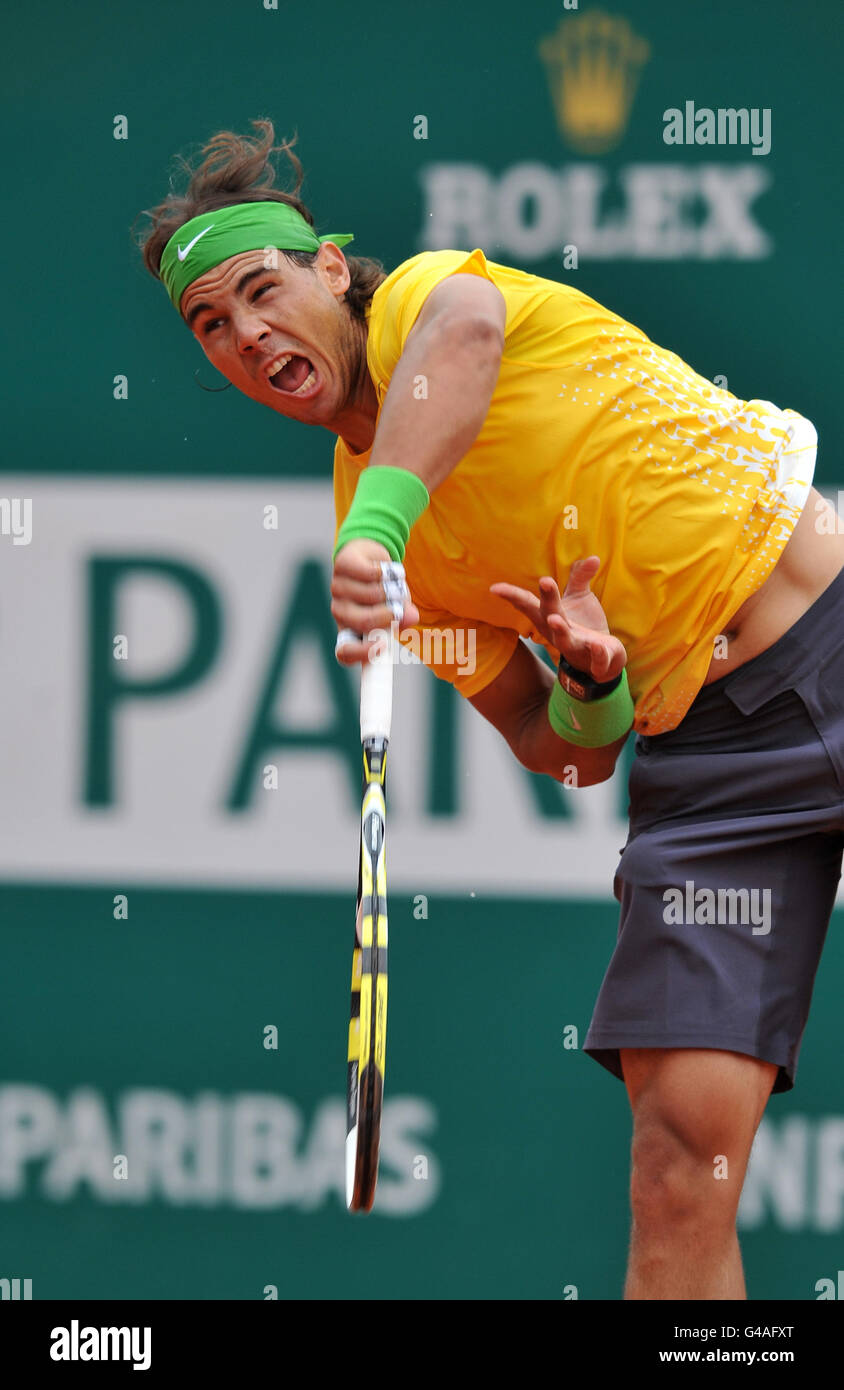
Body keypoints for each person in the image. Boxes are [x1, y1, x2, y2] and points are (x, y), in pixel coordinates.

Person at [137, 119, 844, 1299]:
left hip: (825, 621)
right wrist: (588, 685)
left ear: (329, 272)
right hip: (711, 768)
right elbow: (562, 751)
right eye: (211, 325)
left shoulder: (431, 301)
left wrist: (380, 527)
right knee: (677, 1161)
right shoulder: (384, 544)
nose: (247, 335)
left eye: (261, 292)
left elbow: (463, 349)